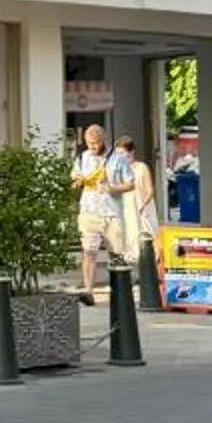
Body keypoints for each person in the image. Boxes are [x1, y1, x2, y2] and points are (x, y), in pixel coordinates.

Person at [73, 123, 123, 303]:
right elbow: (75, 176)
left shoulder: (117, 158)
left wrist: (112, 187)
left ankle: (120, 291)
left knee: (116, 254)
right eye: (88, 143)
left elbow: (130, 183)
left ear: (103, 141)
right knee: (88, 251)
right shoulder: (82, 157)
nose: (91, 147)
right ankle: (88, 291)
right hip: (89, 210)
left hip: (111, 212)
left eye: (94, 143)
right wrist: (79, 180)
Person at [121, 137, 160, 263]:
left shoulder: (141, 167)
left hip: (141, 205)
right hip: (126, 207)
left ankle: (149, 268)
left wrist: (143, 205)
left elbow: (149, 190)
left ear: (131, 152)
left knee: (146, 238)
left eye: (122, 153)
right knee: (129, 240)